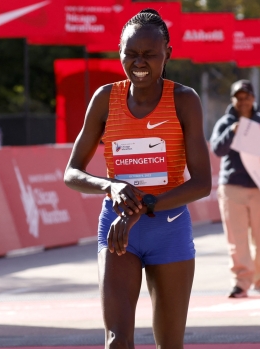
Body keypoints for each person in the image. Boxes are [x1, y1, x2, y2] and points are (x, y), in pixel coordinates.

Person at [63, 9, 211, 349]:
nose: (139, 62)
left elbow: (202, 183)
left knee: (170, 344)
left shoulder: (184, 100)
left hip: (168, 227)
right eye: (130, 54)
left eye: (149, 54)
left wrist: (144, 206)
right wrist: (110, 185)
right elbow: (72, 173)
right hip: (117, 229)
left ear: (167, 54)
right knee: (116, 341)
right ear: (119, 53)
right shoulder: (105, 99)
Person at [210, 79, 260, 299]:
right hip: (233, 187)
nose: (243, 102)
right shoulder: (225, 122)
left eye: (247, 97)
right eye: (238, 98)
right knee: (237, 239)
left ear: (253, 99)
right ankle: (241, 282)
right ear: (233, 100)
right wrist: (233, 131)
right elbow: (217, 149)